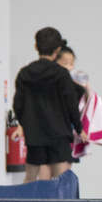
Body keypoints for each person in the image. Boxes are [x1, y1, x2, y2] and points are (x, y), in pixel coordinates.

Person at [13, 27, 88, 182]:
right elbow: (71, 104)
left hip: (35, 136)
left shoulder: (25, 73)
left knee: (31, 178)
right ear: (58, 49)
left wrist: (25, 123)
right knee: (61, 181)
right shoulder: (61, 75)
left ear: (36, 47)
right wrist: (79, 128)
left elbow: (18, 104)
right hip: (59, 134)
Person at [55, 45, 102, 161]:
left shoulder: (76, 84)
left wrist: (86, 85)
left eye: (72, 64)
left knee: (64, 167)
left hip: (70, 132)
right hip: (54, 133)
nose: (69, 68)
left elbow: (90, 101)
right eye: (65, 63)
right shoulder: (52, 83)